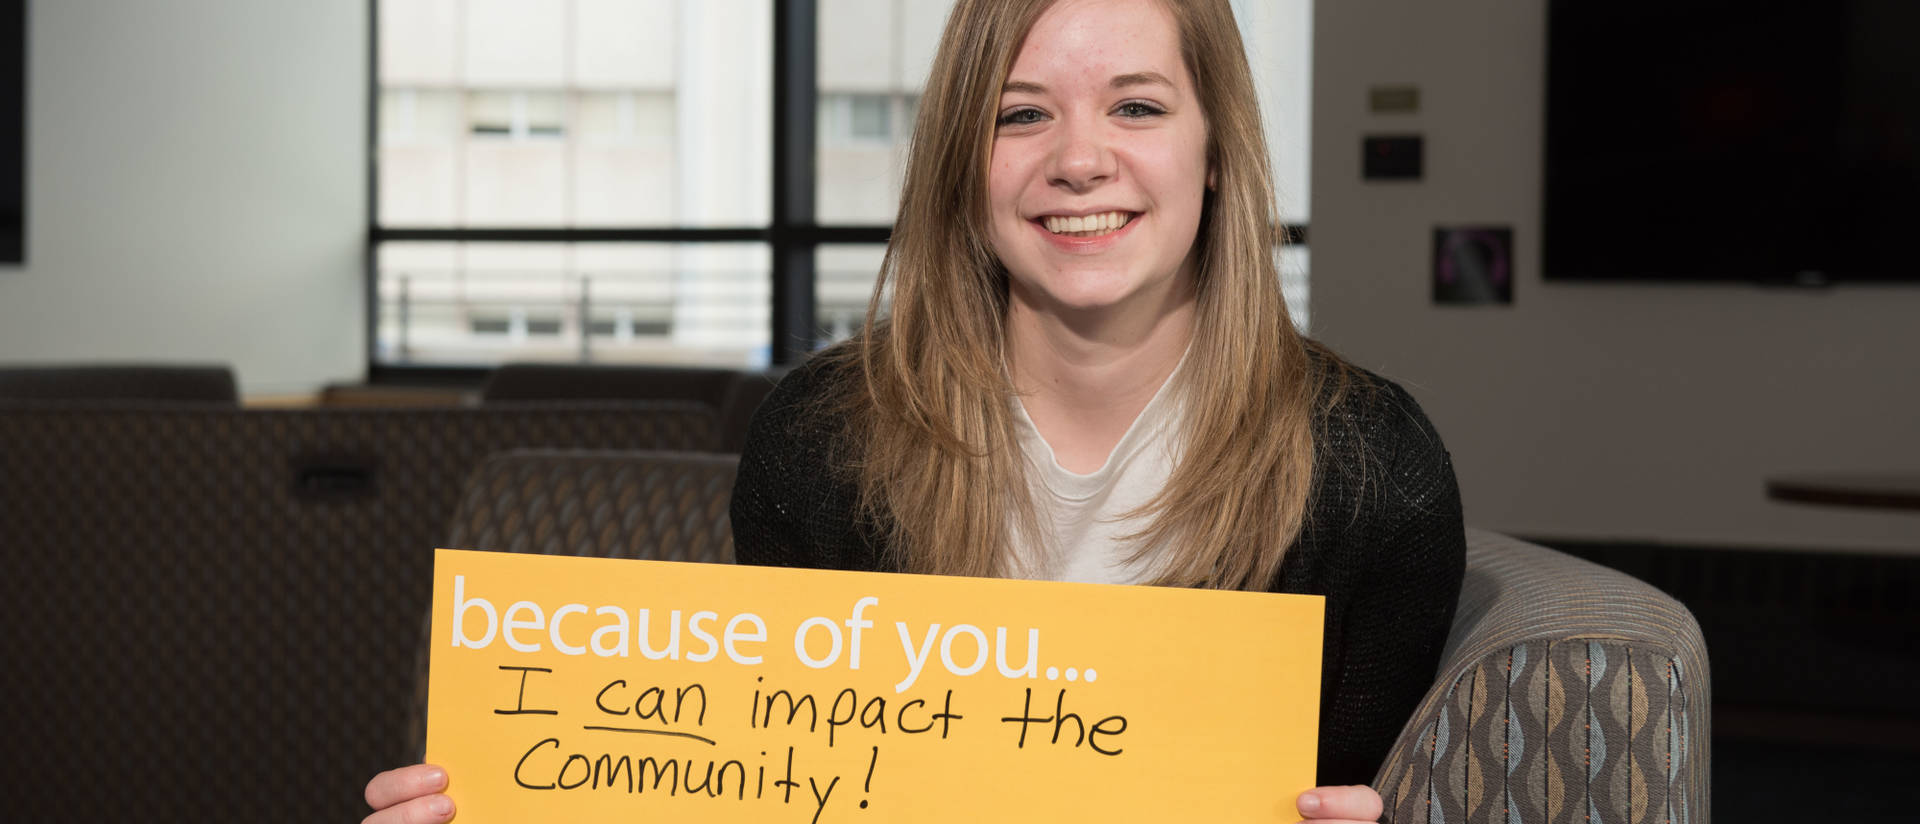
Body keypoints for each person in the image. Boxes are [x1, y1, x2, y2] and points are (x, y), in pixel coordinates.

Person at [364, 1, 1461, 822]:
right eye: (1019, 114)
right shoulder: (822, 440)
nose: (1081, 160)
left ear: (1217, 150)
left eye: (1137, 105)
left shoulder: (1370, 470)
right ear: (960, 165)